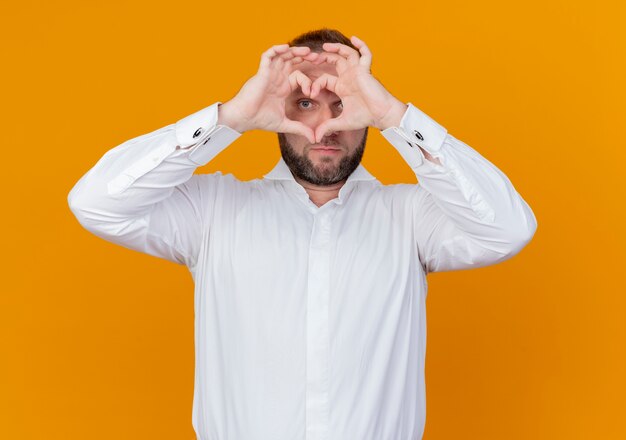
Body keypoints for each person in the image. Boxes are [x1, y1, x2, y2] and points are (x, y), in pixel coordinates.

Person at [68, 28, 537, 440]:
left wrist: (395, 116)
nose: (325, 126)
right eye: (305, 103)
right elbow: (96, 202)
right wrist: (228, 119)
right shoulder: (213, 211)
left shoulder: (410, 217)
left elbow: (508, 229)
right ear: (276, 110)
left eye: (342, 105)